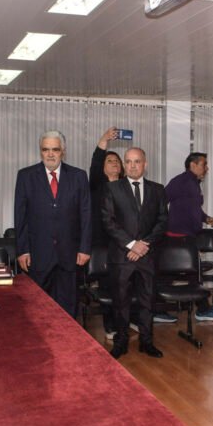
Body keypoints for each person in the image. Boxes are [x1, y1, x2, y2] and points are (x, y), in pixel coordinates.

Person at [14, 130, 92, 317]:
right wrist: (23, 250)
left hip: (70, 255)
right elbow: (20, 216)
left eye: (55, 149)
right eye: (45, 149)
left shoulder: (79, 176)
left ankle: (68, 337)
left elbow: (86, 214)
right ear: (40, 151)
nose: (50, 154)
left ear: (63, 151)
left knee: (68, 308)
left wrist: (85, 248)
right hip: (38, 255)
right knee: (38, 309)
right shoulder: (26, 176)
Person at [102, 147, 168, 359]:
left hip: (147, 256)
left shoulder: (158, 189)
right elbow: (108, 221)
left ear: (145, 164)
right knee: (120, 303)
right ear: (124, 165)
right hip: (122, 257)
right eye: (128, 162)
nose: (132, 166)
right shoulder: (112, 188)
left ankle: (146, 342)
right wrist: (131, 245)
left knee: (148, 302)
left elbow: (162, 221)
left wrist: (144, 245)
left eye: (137, 161)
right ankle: (120, 342)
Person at [164, 152, 213, 322]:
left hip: (187, 236)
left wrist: (205, 218)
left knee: (181, 274)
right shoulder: (181, 181)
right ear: (193, 165)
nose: (207, 168)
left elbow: (193, 208)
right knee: (190, 273)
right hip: (178, 237)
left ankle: (157, 310)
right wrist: (163, 223)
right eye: (204, 164)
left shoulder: (192, 183)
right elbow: (161, 200)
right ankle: (202, 310)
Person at [89, 127, 124, 337]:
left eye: (117, 161)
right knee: (107, 285)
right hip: (103, 244)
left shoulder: (127, 187)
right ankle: (110, 325)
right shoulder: (97, 185)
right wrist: (103, 140)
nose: (115, 163)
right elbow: (95, 163)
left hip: (124, 244)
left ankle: (126, 321)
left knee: (126, 285)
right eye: (110, 161)